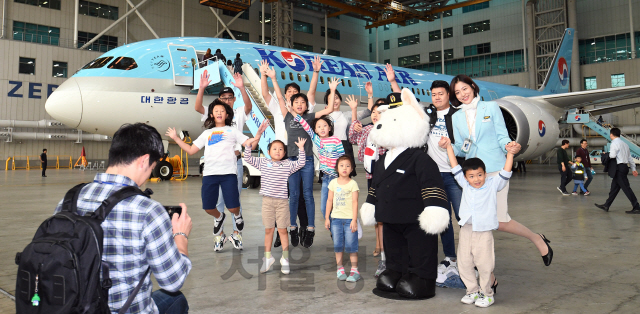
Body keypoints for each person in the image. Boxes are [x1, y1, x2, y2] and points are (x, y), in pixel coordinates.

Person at [55, 123, 192, 314]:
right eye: (152, 167)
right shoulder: (148, 210)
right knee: (176, 299)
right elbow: (172, 281)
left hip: (74, 308)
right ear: (144, 161)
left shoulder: (69, 200)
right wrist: (180, 236)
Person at [447, 74, 553, 269]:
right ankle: (489, 276)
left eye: (464, 89)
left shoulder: (491, 108)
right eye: (457, 92)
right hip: (473, 174)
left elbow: (502, 136)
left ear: (472, 86)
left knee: (499, 221)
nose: (462, 94)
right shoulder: (456, 117)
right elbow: (463, 148)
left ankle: (537, 238)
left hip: (495, 169)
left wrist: (510, 146)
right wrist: (448, 147)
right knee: (477, 221)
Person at [169, 100, 263, 252]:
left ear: (227, 114)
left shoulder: (232, 131)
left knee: (233, 207)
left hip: (228, 174)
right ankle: (219, 217)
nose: (219, 113)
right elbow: (192, 150)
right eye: (216, 111)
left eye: (222, 111)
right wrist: (176, 138)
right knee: (208, 207)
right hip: (210, 174)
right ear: (211, 115)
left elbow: (248, 143)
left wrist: (258, 135)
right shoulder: (207, 133)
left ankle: (238, 216)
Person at [442, 136, 516, 308]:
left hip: (483, 231)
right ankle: (472, 291)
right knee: (464, 262)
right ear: (466, 178)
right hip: (467, 228)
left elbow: (505, 172)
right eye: (472, 176)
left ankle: (487, 294)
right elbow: (454, 167)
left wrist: (510, 154)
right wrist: (448, 148)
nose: (476, 179)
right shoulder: (465, 185)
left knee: (484, 264)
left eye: (480, 175)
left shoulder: (492, 184)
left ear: (485, 173)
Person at [268, 62, 334, 248]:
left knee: (307, 195)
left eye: (302, 102)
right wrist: (273, 78)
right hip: (291, 161)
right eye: (296, 102)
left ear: (306, 106)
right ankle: (293, 228)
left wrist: (332, 89)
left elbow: (328, 110)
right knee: (294, 195)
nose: (299, 104)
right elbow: (280, 99)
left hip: (307, 161)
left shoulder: (310, 117)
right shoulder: (287, 116)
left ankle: (311, 229)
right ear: (292, 104)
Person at [195, 71, 252, 251]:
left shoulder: (238, 113)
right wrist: (202, 88)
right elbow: (198, 108)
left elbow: (249, 106)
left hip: (234, 163)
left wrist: (242, 87)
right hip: (215, 166)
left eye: (230, 97)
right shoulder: (216, 114)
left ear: (234, 100)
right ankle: (219, 236)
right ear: (218, 101)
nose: (227, 100)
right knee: (217, 202)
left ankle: (237, 235)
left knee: (235, 201)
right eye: (223, 97)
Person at [243, 137, 307, 274]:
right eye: (274, 149)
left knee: (283, 230)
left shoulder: (288, 164)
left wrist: (301, 149)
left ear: (284, 153)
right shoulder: (263, 162)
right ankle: (267, 258)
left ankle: (285, 259)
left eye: (281, 149)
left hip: (282, 203)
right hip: (267, 202)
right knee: (268, 230)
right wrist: (248, 146)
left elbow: (301, 163)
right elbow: (248, 158)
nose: (277, 151)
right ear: (268, 151)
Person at [422, 80, 465, 278]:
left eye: (441, 93)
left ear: (448, 94)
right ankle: (451, 257)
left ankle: (467, 255)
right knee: (443, 219)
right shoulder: (428, 116)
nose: (437, 97)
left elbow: (467, 141)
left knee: (463, 217)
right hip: (433, 176)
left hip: (454, 174)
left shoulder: (458, 115)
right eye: (434, 94)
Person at [348, 98, 387, 277]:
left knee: (387, 214)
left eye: (379, 113)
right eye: (373, 113)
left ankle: (386, 249)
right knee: (377, 212)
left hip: (388, 176)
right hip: (372, 177)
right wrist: (354, 113)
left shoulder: (390, 131)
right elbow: (352, 138)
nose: (375, 115)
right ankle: (380, 246)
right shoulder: (367, 129)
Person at [293, 98, 345, 221]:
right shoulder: (318, 140)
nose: (322, 128)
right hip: (326, 178)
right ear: (316, 130)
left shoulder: (336, 140)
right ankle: (334, 230)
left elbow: (343, 160)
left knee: (339, 208)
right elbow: (307, 128)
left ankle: (342, 230)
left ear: (330, 128)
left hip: (337, 179)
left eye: (325, 126)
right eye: (319, 127)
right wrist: (294, 113)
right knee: (324, 209)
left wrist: (343, 176)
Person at [325, 155, 360, 282]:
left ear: (351, 169)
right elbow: (329, 201)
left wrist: (354, 220)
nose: (344, 168)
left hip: (350, 219)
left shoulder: (353, 184)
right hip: (335, 220)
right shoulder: (333, 183)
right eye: (341, 165)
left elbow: (355, 202)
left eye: (347, 166)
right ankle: (340, 269)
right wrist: (327, 218)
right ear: (336, 168)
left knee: (352, 246)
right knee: (338, 245)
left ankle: (354, 271)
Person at [595, 128, 640, 213]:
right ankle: (606, 205)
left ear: (611, 134)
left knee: (626, 188)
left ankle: (636, 206)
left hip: (619, 169)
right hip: (624, 167)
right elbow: (630, 158)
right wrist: (633, 168)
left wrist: (606, 154)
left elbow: (612, 155)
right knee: (614, 189)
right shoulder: (625, 144)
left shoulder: (614, 143)